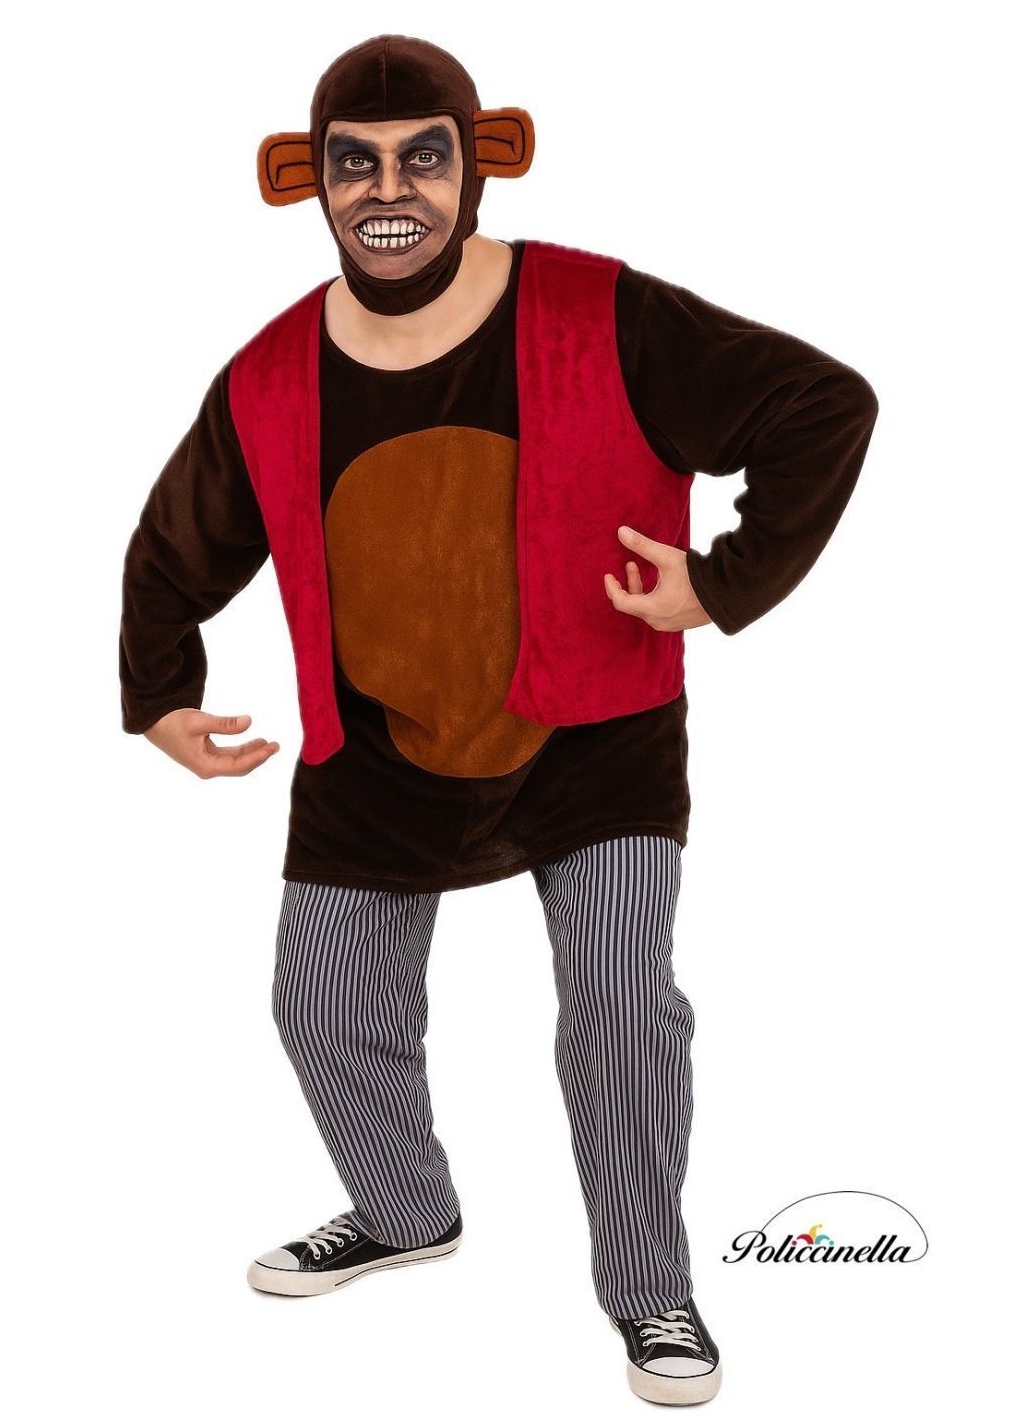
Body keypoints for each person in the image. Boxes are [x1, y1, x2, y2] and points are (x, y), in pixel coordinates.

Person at [119, 33, 879, 1407]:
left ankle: (653, 1293)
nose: (388, 192)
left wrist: (720, 583)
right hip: (374, 750)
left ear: (483, 162)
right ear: (304, 179)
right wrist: (159, 689)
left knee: (621, 1012)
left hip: (595, 736)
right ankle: (405, 1210)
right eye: (355, 165)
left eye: (423, 158)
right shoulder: (273, 374)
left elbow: (823, 405)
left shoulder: (602, 314)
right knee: (316, 1004)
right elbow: (179, 541)